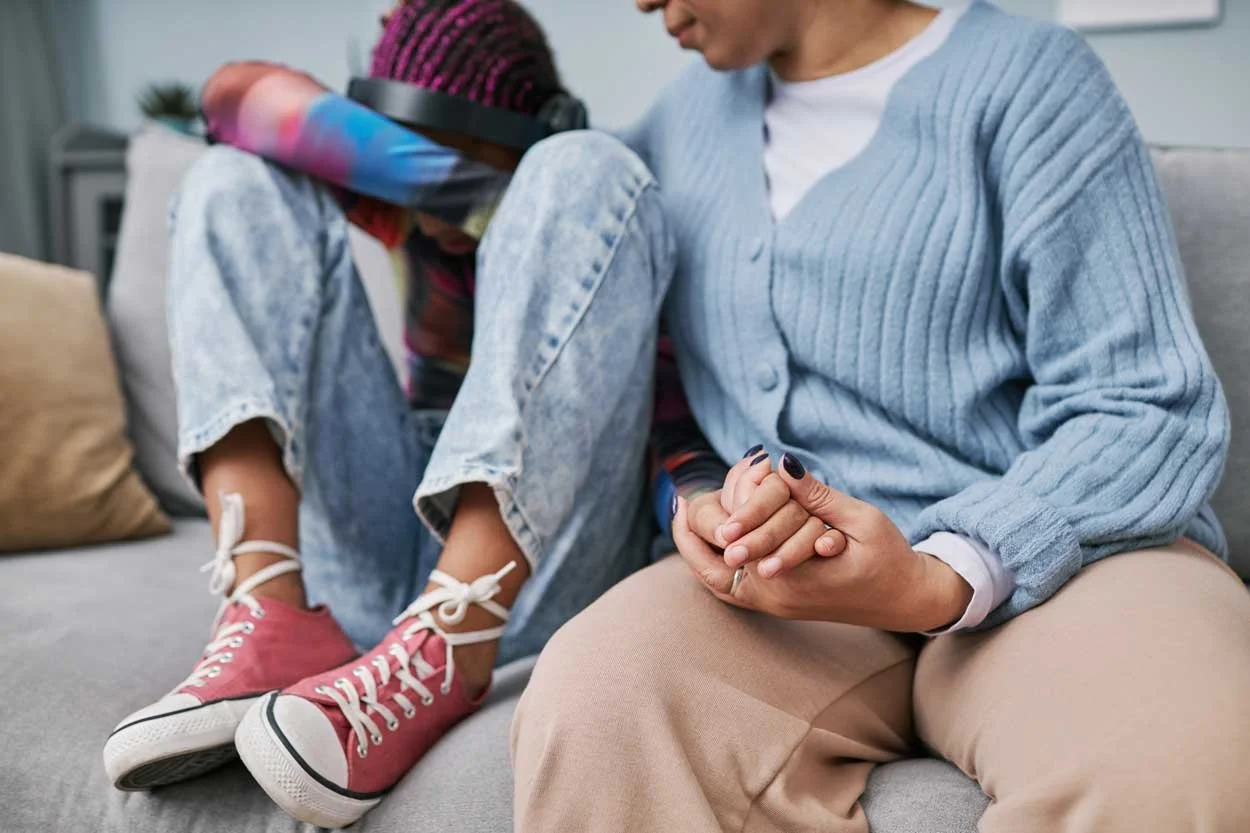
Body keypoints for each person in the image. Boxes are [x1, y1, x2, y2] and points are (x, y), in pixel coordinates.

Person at [509, 1, 1250, 831]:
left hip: (1065, 568)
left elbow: (1146, 402)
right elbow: (559, 273)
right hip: (791, 605)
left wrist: (946, 570)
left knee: (1171, 753)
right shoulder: (677, 127)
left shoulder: (1032, 82)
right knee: (598, 693)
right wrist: (704, 495)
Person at [102, 1, 726, 826]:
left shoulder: (582, 216)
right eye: (413, 159)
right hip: (376, 553)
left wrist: (705, 505)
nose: (435, 217)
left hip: (533, 572)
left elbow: (674, 425)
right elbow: (232, 97)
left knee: (587, 169)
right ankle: (269, 614)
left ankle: (450, 645)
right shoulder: (412, 208)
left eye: (469, 156)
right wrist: (469, 195)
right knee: (228, 176)